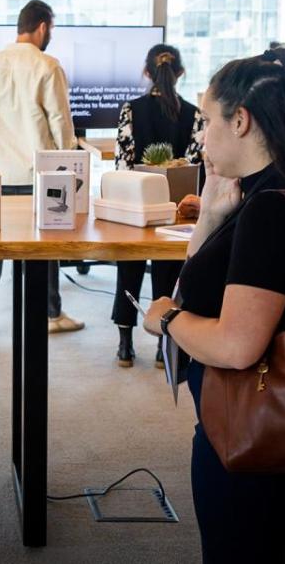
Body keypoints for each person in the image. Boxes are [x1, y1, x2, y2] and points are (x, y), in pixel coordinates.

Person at [143, 47, 285, 563]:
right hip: (266, 422)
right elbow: (201, 287)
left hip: (250, 429)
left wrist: (167, 320)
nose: (199, 135)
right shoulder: (275, 191)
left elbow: (237, 345)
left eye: (205, 120)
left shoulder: (271, 209)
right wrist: (211, 220)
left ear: (240, 120)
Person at [0, 0, 82, 337]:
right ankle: (50, 313)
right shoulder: (47, 66)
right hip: (37, 173)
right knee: (45, 244)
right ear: (44, 27)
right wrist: (71, 166)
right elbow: (61, 123)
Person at [111, 44, 203, 368]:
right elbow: (195, 166)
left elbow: (122, 164)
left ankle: (125, 345)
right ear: (180, 73)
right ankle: (164, 346)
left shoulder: (130, 110)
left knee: (128, 270)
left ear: (147, 73)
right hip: (176, 210)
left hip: (135, 206)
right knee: (168, 272)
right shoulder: (195, 113)